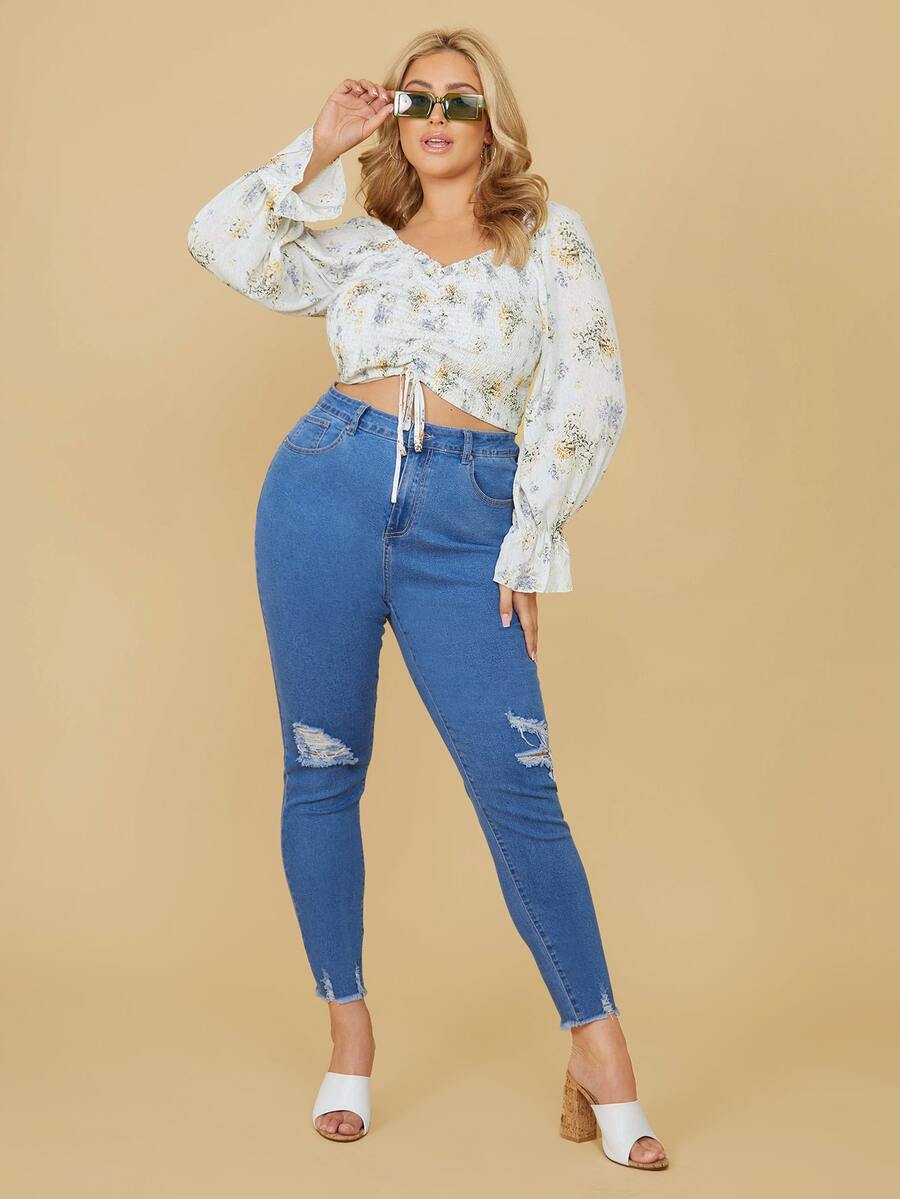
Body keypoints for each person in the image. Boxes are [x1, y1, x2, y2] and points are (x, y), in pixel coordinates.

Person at [187, 25, 667, 1172]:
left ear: (493, 121)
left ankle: (601, 1050)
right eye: (416, 99)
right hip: (323, 494)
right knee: (323, 766)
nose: (437, 117)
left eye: (460, 99)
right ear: (395, 119)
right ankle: (348, 1031)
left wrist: (530, 540)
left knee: (517, 783)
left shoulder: (547, 239)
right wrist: (317, 144)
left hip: (471, 517)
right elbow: (219, 240)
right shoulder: (357, 242)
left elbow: (588, 392)